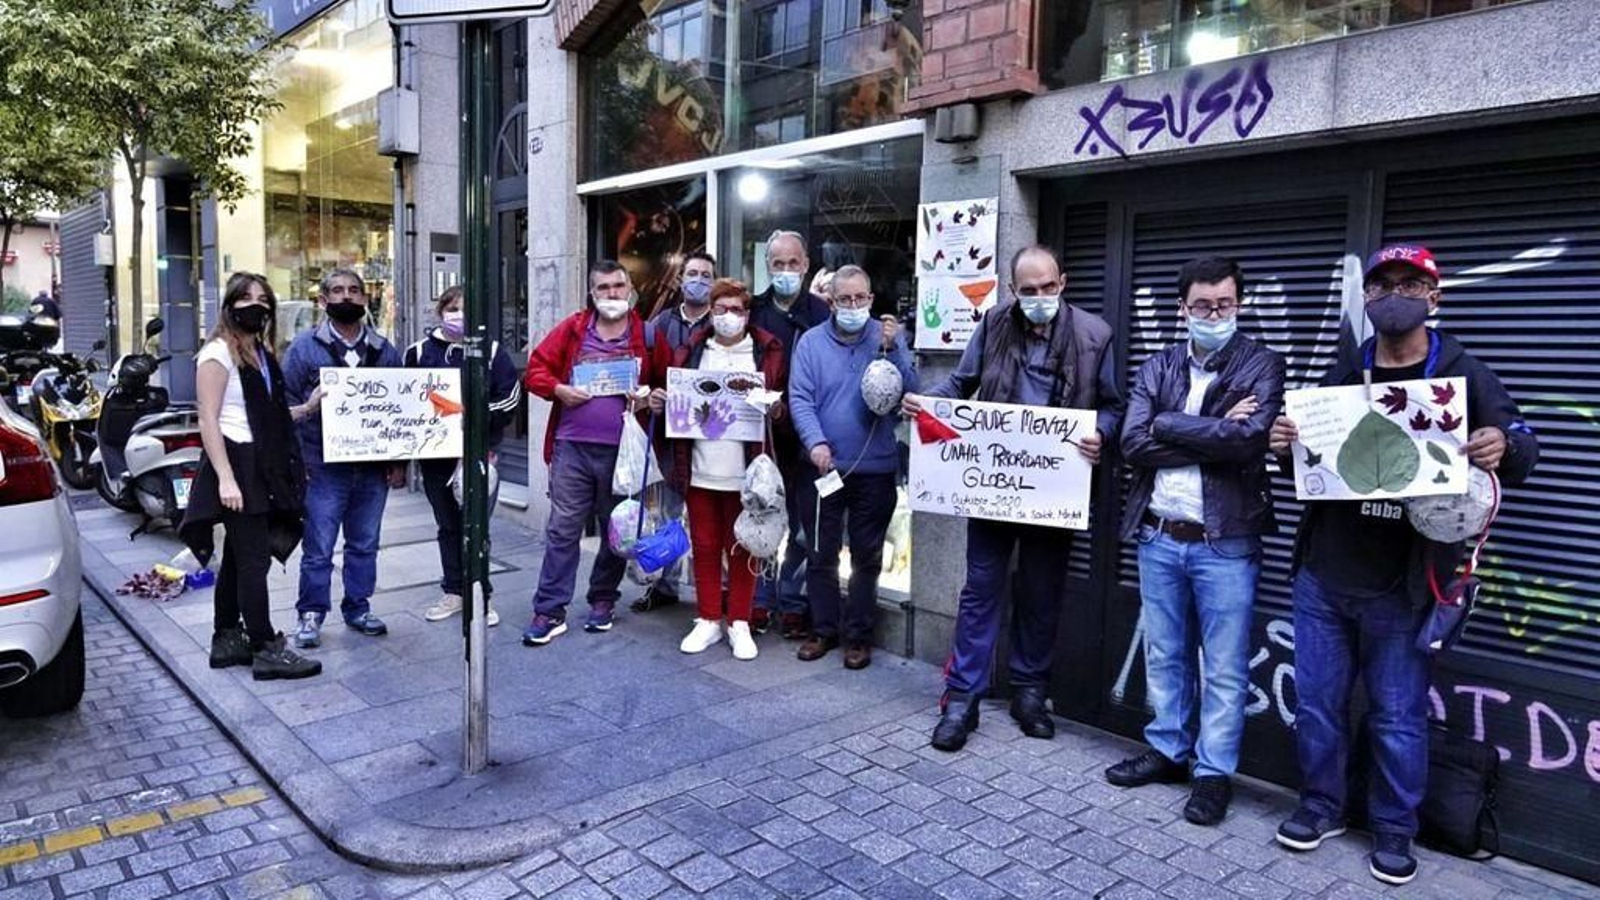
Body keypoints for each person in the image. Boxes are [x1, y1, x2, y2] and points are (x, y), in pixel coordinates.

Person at [1269, 244, 1538, 886]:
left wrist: (1502, 444)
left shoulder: (1465, 374)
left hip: (1407, 587)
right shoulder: (1343, 373)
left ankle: (1394, 829)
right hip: (1326, 576)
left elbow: (1524, 447)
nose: (1395, 293)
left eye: (1409, 284)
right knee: (1319, 705)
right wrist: (1284, 446)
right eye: (1383, 283)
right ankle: (1321, 807)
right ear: (1369, 299)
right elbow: (1310, 469)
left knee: (1396, 715)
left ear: (1433, 297)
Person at [903, 244, 1124, 752]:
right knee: (980, 590)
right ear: (1012, 289)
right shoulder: (994, 324)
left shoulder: (1094, 335)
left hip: (1054, 489)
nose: (1040, 297)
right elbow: (962, 383)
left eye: (1049, 287)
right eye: (1029, 290)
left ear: (1063, 282)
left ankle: (1030, 692)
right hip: (994, 488)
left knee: (1042, 594)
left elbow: (1112, 407)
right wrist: (929, 404)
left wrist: (1103, 436)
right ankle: (961, 698)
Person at [1107, 256, 1285, 826]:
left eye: (1225, 304)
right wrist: (1212, 430)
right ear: (1183, 308)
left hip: (1224, 542)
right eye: (1203, 306)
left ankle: (1213, 772)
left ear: (1240, 304)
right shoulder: (1158, 364)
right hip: (1159, 535)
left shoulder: (1261, 364)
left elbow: (1249, 440)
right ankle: (1168, 750)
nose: (1214, 314)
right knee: (1165, 652)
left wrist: (1169, 423)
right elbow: (1133, 443)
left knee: (1226, 665)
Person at [180, 272, 319, 681]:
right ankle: (265, 646)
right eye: (246, 298)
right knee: (254, 562)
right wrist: (225, 478)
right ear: (229, 304)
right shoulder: (217, 354)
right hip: (237, 465)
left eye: (263, 299)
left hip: (261, 464)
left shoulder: (259, 352)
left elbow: (267, 416)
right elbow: (209, 419)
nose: (255, 306)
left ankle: (226, 639)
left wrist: (307, 408)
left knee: (240, 559)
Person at [648, 279, 785, 660]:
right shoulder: (691, 350)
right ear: (710, 311)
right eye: (721, 309)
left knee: (742, 545)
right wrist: (663, 402)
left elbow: (782, 408)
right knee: (705, 546)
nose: (729, 317)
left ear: (747, 313)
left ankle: (739, 621)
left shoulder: (765, 351)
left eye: (737, 309)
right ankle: (708, 617)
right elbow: (674, 396)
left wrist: (774, 408)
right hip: (698, 465)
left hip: (746, 470)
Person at [789, 265, 916, 670]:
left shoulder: (887, 338)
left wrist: (895, 348)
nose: (853, 306)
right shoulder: (810, 343)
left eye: (860, 298)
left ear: (871, 300)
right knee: (821, 552)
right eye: (844, 299)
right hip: (825, 469)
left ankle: (859, 637)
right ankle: (823, 629)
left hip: (876, 468)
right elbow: (801, 398)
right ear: (831, 301)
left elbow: (911, 393)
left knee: (867, 556)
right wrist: (815, 443)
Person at [521, 260, 654, 645]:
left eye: (618, 286)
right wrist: (560, 390)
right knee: (562, 530)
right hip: (571, 448)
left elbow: (663, 385)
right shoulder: (575, 329)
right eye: (603, 288)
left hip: (622, 453)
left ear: (630, 288)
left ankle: (602, 600)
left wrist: (647, 399)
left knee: (617, 532)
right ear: (591, 293)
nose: (612, 294)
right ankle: (549, 610)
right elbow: (535, 371)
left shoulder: (646, 334)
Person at [282, 268, 404, 649]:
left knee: (365, 542)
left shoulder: (385, 350)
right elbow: (284, 406)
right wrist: (306, 416)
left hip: (370, 469)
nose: (346, 297)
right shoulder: (303, 349)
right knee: (318, 546)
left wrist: (399, 461)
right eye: (337, 291)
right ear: (323, 301)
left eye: (354, 290)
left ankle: (358, 607)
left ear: (365, 299)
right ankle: (311, 614)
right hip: (320, 467)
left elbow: (401, 409)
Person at [403, 285, 523, 626]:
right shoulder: (417, 352)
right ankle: (454, 591)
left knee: (477, 525)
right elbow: (404, 402)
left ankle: (480, 595)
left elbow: (510, 398)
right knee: (448, 526)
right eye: (452, 308)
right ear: (440, 312)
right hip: (435, 459)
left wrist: (473, 415)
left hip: (480, 455)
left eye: (466, 309)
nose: (459, 316)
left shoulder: (492, 350)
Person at [747, 230, 832, 639]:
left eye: (792, 263)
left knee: (801, 527)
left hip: (808, 441)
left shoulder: (821, 312)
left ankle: (793, 600)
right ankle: (760, 601)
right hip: (762, 437)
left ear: (806, 265)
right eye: (777, 264)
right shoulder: (752, 311)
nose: (785, 271)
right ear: (768, 266)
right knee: (761, 519)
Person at [633, 251, 717, 614]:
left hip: (715, 435)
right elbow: (645, 377)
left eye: (706, 275)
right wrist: (650, 396)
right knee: (668, 513)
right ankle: (665, 586)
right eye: (692, 273)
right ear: (681, 279)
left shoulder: (724, 323)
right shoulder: (660, 324)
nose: (698, 280)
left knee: (712, 516)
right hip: (670, 435)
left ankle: (714, 594)